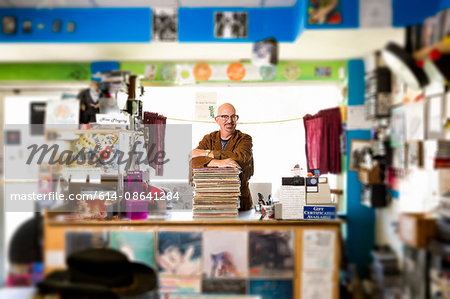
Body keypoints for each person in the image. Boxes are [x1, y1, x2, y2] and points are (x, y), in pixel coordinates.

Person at [191, 103, 254, 211]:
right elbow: (193, 159)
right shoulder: (209, 139)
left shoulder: (244, 139)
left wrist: (208, 155)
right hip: (211, 202)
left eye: (233, 117)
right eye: (225, 117)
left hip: (239, 203)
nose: (230, 121)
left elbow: (241, 157)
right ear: (217, 120)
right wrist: (217, 162)